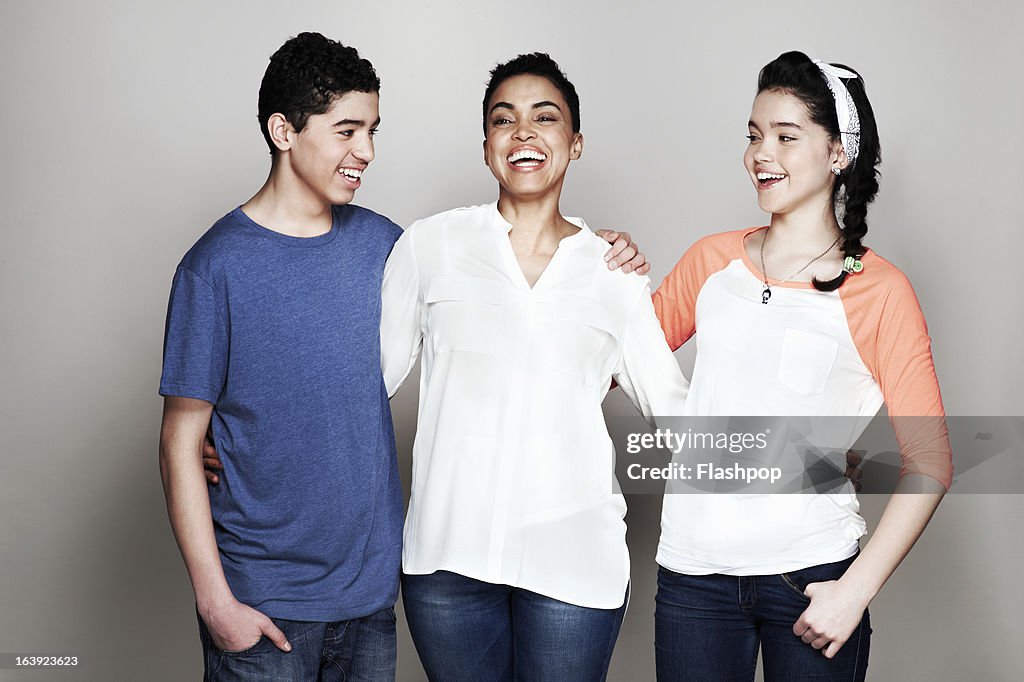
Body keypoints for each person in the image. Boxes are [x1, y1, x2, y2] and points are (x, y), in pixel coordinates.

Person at [165, 34, 646, 681]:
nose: (365, 151)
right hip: (268, 593)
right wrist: (215, 596)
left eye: (371, 130)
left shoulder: (387, 245)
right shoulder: (219, 266)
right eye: (346, 131)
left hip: (370, 601)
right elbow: (185, 438)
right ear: (284, 130)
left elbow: (507, 344)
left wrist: (599, 263)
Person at [379, 53, 690, 681]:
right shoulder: (428, 245)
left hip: (574, 565)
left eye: (544, 118)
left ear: (574, 144)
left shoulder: (612, 272)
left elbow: (676, 410)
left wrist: (810, 455)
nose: (523, 133)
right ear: (487, 145)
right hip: (447, 562)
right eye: (504, 119)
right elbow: (363, 388)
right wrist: (251, 442)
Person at [650, 51, 953, 681]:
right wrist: (595, 265)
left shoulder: (881, 291)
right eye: (755, 136)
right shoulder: (710, 261)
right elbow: (619, 359)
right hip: (692, 580)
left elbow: (931, 461)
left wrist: (855, 591)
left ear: (839, 154)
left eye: (787, 137)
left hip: (812, 577)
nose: (762, 153)